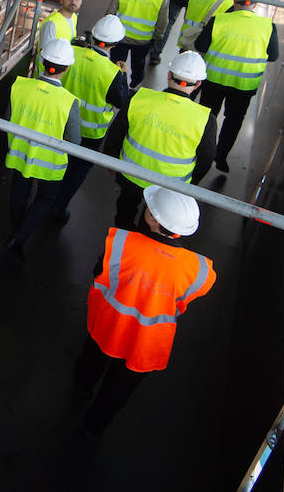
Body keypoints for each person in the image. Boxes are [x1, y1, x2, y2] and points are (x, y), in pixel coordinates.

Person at [74, 186, 216, 438]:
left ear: (152, 218)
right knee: (119, 389)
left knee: (91, 361)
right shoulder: (201, 270)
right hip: (147, 343)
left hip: (108, 325)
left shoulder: (121, 242)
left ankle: (81, 391)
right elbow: (185, 299)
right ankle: (94, 426)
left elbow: (99, 272)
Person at [100, 51, 217, 229]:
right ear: (198, 84)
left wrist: (111, 161)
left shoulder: (138, 98)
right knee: (154, 224)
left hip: (130, 175)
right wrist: (190, 185)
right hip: (170, 188)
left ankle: (121, 240)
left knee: (124, 211)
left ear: (169, 75)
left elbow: (116, 133)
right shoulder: (205, 119)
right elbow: (205, 160)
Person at [5, 33, 82, 258]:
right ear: (66, 68)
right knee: (46, 199)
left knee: (19, 193)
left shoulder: (19, 86)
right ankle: (18, 237)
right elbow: (74, 141)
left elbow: (7, 118)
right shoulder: (69, 102)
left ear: (42, 61)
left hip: (19, 154)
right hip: (51, 165)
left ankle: (15, 232)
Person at [51, 15, 132, 221]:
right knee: (76, 171)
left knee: (54, 161)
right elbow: (121, 102)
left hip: (60, 122)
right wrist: (124, 76)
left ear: (93, 36)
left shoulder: (71, 53)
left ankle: (45, 198)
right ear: (115, 44)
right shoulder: (114, 73)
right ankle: (58, 208)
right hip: (90, 133)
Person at [196, 0, 281, 173]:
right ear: (255, 5)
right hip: (244, 85)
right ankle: (221, 156)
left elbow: (201, 46)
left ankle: (200, 151)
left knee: (206, 117)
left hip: (214, 80)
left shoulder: (218, 20)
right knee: (234, 120)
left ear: (234, 1)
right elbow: (274, 56)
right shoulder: (268, 27)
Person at [106, 0, 168, 88]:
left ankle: (115, 85)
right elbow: (162, 22)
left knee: (115, 64)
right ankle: (134, 83)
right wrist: (156, 38)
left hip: (120, 37)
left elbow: (110, 13)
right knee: (138, 65)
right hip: (143, 40)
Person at [33, 0, 84, 74]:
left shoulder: (73, 17)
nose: (73, 1)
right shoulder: (51, 24)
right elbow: (45, 56)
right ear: (61, 0)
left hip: (60, 72)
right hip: (46, 75)